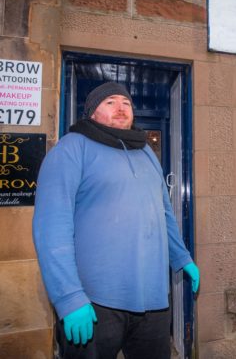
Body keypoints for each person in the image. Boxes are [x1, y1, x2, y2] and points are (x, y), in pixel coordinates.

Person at [32, 82, 200, 359]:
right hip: (95, 302)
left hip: (153, 298)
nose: (121, 108)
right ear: (92, 112)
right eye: (110, 102)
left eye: (126, 103)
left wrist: (182, 259)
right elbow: (51, 228)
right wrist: (69, 297)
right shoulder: (71, 148)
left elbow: (163, 213)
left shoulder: (146, 152)